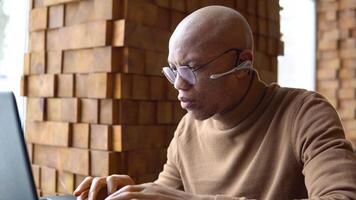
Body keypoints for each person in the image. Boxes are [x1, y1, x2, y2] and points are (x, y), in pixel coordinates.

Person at [73, 5, 356, 200]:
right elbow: (168, 191)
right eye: (173, 70)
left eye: (191, 69)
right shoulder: (188, 129)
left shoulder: (304, 113)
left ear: (243, 65)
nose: (178, 84)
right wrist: (131, 191)